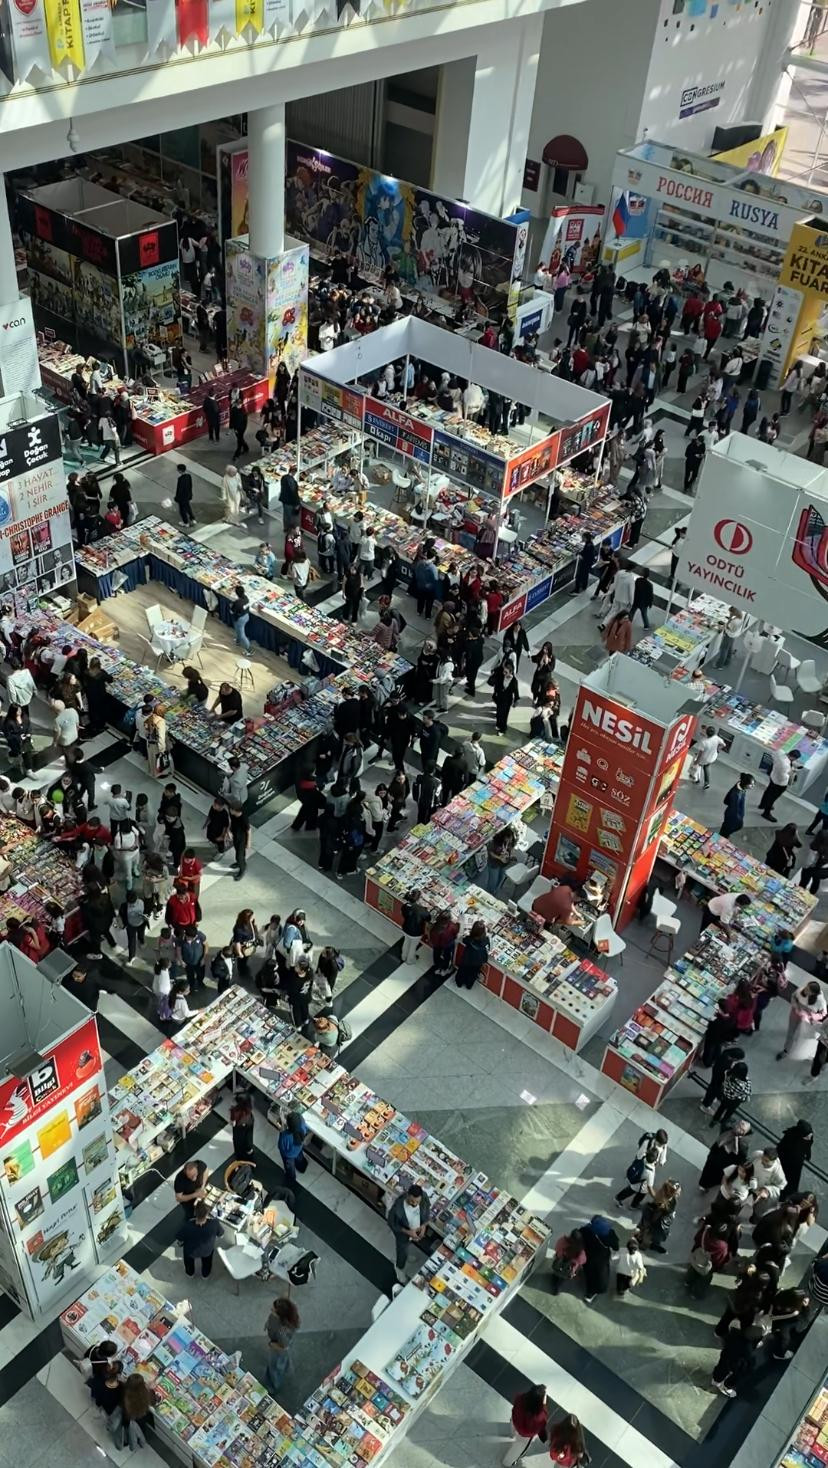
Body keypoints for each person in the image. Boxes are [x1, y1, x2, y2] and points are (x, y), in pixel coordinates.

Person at [388, 1182, 430, 1284]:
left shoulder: (424, 1197)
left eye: (417, 1202)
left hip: (416, 1230)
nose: (415, 1204)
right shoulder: (397, 1208)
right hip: (403, 1234)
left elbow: (426, 1209)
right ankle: (399, 1267)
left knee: (408, 1245)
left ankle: (405, 1256)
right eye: (412, 1201)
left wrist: (424, 1225)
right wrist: (408, 1232)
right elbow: (392, 1223)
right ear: (407, 1195)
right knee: (402, 1250)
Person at [776, 979, 827, 1062]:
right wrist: (797, 1007)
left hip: (807, 1020)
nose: (805, 990)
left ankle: (806, 1052)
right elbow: (793, 997)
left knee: (804, 1036)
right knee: (791, 1033)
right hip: (795, 1014)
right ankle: (786, 1050)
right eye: (806, 987)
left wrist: (812, 1016)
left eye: (808, 990)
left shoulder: (820, 1001)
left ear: (813, 994)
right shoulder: (800, 991)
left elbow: (823, 1014)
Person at [711, 1320, 764, 1398]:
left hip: (739, 1330)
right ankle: (727, 1385)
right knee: (743, 1367)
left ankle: (717, 1378)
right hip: (748, 1336)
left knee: (726, 1357)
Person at [502, 1384, 549, 1465]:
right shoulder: (540, 1414)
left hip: (515, 1421)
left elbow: (515, 1407)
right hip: (524, 1434)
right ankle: (507, 1463)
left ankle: (511, 1434)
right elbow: (540, 1428)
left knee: (513, 1429)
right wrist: (545, 1439)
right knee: (521, 1447)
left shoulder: (520, 1397)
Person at [265, 1297, 300, 1396]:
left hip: (278, 1349)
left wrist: (272, 1345)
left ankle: (274, 1386)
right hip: (275, 1341)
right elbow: (271, 1321)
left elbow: (284, 1346)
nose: (271, 1309)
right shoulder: (276, 1317)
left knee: (275, 1368)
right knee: (273, 1365)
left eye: (273, 1309)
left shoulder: (282, 1331)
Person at [581, 1215, 620, 1303]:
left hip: (589, 1255)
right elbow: (616, 1246)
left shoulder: (586, 1230)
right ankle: (595, 1291)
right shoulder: (609, 1234)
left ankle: (590, 1291)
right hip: (601, 1258)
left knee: (589, 1272)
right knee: (600, 1275)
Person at [181, 1199, 223, 1279]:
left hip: (191, 1251)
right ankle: (205, 1275)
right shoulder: (215, 1223)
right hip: (207, 1250)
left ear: (195, 1213)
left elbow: (180, 1238)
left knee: (188, 1259)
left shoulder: (188, 1225)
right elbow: (221, 1235)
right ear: (207, 1214)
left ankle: (190, 1273)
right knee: (207, 1262)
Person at [639, 1179, 681, 1254]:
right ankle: (644, 1245)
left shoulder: (670, 1199)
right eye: (678, 1192)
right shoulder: (662, 1205)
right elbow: (653, 1219)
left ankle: (652, 1243)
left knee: (654, 1237)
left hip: (661, 1224)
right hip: (657, 1226)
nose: (680, 1193)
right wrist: (650, 1227)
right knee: (649, 1236)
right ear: (672, 1193)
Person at [455, 919, 489, 990]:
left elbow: (464, 940)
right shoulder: (485, 940)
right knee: (473, 974)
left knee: (462, 971)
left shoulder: (469, 939)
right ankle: (469, 985)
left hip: (467, 959)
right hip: (478, 962)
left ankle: (459, 983)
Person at [278, 1110, 308, 1185]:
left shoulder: (285, 1136)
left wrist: (282, 1128)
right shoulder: (302, 1126)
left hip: (289, 1156)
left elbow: (281, 1147)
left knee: (290, 1169)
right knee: (300, 1158)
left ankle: (291, 1180)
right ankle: (302, 1168)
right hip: (298, 1149)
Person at [720, 773, 754, 839]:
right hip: (733, 817)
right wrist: (739, 819)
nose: (753, 786)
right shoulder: (736, 795)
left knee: (726, 829)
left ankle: (723, 836)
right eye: (751, 784)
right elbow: (734, 810)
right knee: (728, 829)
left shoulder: (740, 785)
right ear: (745, 784)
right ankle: (722, 837)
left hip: (733, 814)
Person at [692, 726, 725, 791]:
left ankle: (697, 779)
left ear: (706, 733)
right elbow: (724, 744)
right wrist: (718, 749)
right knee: (706, 767)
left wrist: (696, 762)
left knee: (698, 766)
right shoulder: (716, 738)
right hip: (713, 757)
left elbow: (700, 754)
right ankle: (707, 783)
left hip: (704, 759)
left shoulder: (703, 742)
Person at [401, 889, 429, 964]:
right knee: (413, 946)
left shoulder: (406, 906)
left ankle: (403, 956)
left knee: (406, 942)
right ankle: (410, 960)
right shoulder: (422, 910)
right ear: (418, 899)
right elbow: (428, 918)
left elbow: (404, 914)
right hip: (416, 932)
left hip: (406, 928)